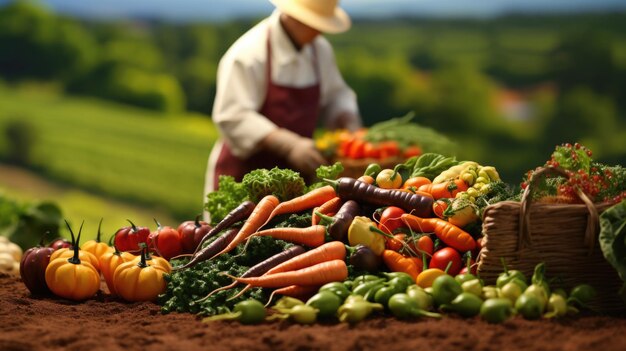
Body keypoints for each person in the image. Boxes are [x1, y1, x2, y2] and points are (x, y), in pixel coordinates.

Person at [204, 0, 362, 198]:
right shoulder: (248, 53)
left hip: (294, 183)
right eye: (316, 24)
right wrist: (288, 145)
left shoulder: (319, 50)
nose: (320, 32)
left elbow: (336, 94)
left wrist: (345, 116)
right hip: (244, 179)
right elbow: (233, 115)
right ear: (295, 17)